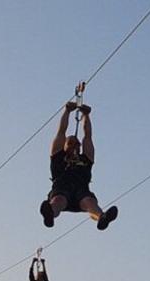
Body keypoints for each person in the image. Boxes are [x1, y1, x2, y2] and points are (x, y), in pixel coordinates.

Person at [40, 92, 118, 230]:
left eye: (76, 144)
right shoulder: (58, 155)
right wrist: (67, 111)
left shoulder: (86, 158)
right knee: (58, 200)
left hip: (81, 190)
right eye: (70, 143)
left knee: (89, 202)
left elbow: (88, 136)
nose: (74, 145)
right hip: (61, 189)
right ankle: (50, 213)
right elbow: (61, 131)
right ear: (64, 145)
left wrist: (86, 116)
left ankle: (102, 217)